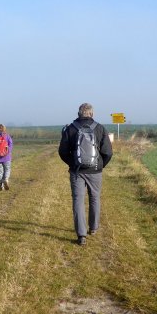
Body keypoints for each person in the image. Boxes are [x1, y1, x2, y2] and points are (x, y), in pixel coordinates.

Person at [58, 103, 113, 245]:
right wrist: (100, 166)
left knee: (78, 200)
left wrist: (72, 163)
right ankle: (93, 228)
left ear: (78, 114)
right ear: (92, 114)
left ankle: (81, 235)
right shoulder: (100, 128)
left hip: (77, 171)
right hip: (95, 171)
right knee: (95, 198)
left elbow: (62, 152)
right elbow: (107, 152)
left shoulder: (70, 129)